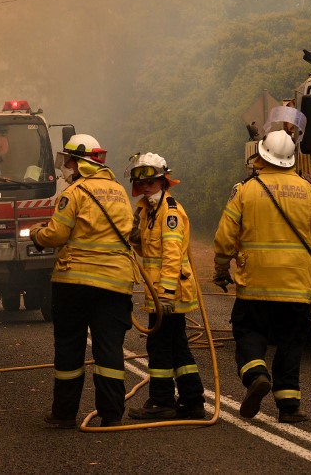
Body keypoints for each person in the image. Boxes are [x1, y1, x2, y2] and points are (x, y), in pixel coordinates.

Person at [213, 128, 311, 424]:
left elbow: (225, 238)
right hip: (297, 287)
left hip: (256, 283)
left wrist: (220, 269)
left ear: (261, 155)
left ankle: (256, 375)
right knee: (292, 343)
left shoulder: (246, 190)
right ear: (292, 158)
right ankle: (289, 406)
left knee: (249, 332)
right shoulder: (310, 193)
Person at [30, 134, 135, 429]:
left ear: (80, 163)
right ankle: (111, 415)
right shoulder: (118, 192)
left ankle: (64, 414)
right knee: (109, 349)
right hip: (115, 284)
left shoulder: (73, 193)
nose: (66, 167)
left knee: (69, 348)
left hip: (74, 284)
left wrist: (38, 234)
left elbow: (57, 235)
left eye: (69, 161)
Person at [125, 153, 205, 421]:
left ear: (163, 181)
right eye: (141, 182)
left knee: (160, 346)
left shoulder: (169, 212)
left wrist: (166, 295)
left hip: (168, 294)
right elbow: (149, 251)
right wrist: (136, 240)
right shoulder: (148, 210)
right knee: (176, 346)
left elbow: (171, 255)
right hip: (159, 292)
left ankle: (162, 402)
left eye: (151, 181)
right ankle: (192, 401)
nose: (146, 186)